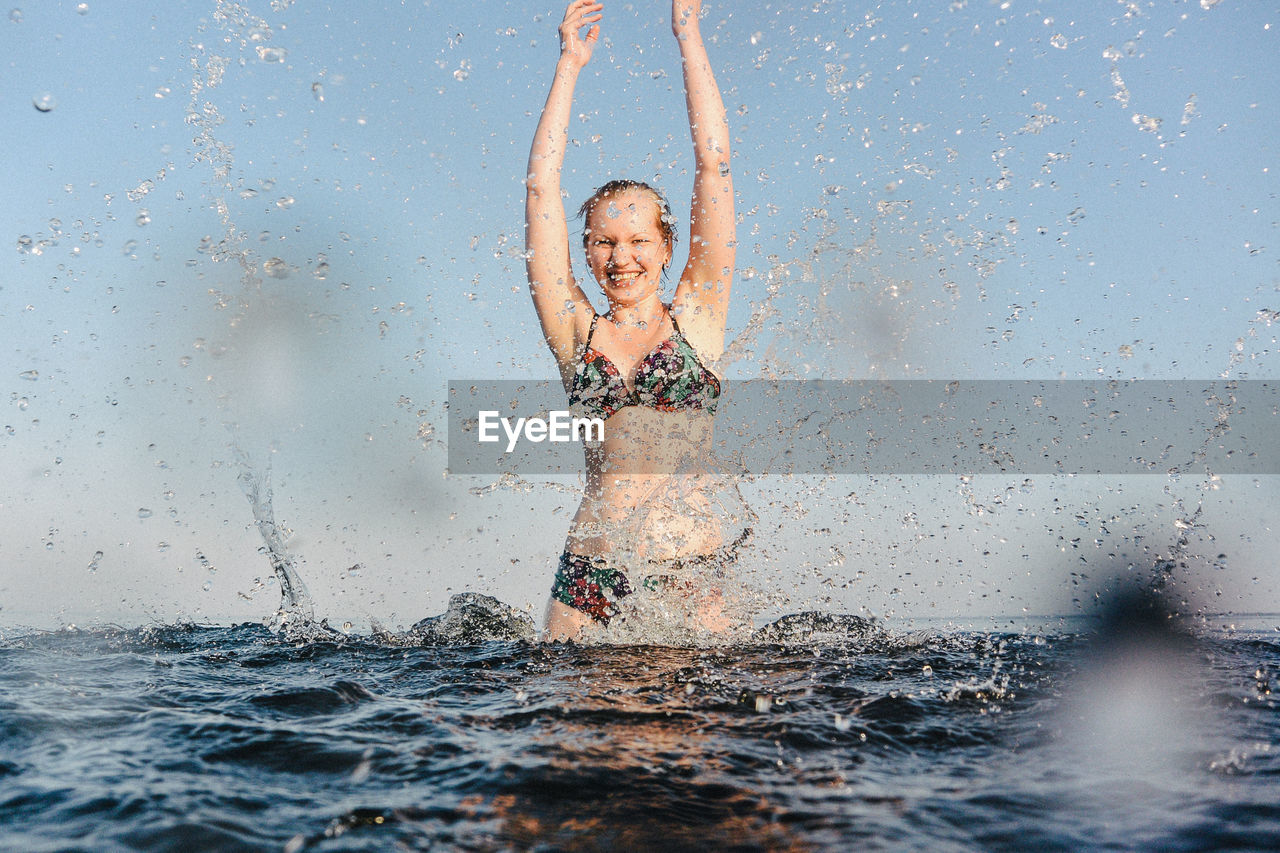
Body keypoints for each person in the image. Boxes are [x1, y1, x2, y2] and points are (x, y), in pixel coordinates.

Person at [525, 0, 744, 641]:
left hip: (689, 564)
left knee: (701, 734)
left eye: (639, 241)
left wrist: (688, 35)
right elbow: (541, 188)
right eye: (603, 243)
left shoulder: (698, 320)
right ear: (587, 250)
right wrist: (568, 64)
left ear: (667, 247)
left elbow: (716, 165)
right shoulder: (576, 333)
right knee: (574, 736)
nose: (622, 258)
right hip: (592, 567)